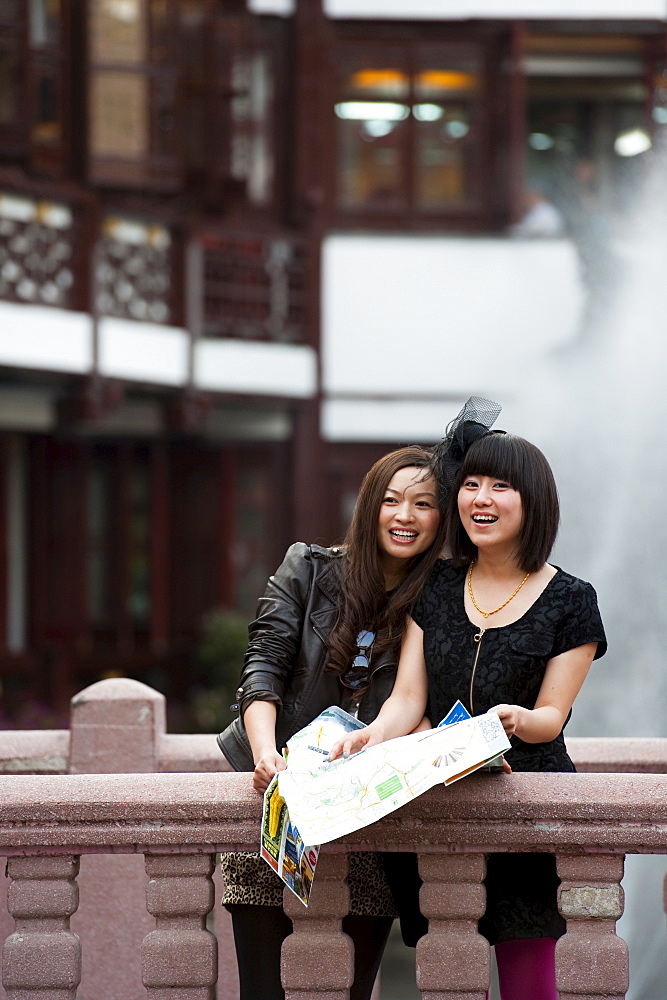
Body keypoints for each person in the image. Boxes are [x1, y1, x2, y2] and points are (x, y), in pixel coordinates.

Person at [331, 410, 607, 1000]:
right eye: (472, 485)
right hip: (441, 803)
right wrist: (371, 736)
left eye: (500, 487)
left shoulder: (571, 601)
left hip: (524, 809)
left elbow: (552, 719)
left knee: (529, 980)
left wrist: (517, 720)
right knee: (446, 977)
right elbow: (408, 698)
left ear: (534, 501)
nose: (481, 499)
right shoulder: (434, 585)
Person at [217, 444, 449, 1000]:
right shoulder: (309, 566)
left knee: (350, 990)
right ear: (369, 506)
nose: (405, 516)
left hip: (369, 815)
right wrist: (266, 752)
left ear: (441, 517)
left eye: (423, 504)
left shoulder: (444, 595)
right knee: (263, 991)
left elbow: (436, 697)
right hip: (279, 804)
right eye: (391, 501)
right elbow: (263, 665)